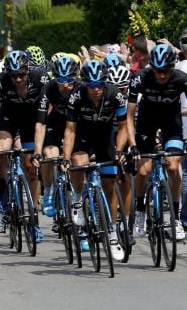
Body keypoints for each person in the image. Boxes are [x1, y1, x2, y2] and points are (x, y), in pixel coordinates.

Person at [63, 61, 127, 261]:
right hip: (83, 135)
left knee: (110, 185)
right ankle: (77, 199)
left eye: (99, 84)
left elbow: (124, 126)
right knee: (78, 162)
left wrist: (119, 150)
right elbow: (70, 129)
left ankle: (112, 231)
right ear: (85, 84)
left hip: (106, 137)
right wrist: (66, 158)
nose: (96, 89)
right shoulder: (76, 96)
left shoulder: (114, 94)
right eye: (91, 85)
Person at [127, 44, 187, 240]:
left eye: (166, 72)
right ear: (151, 67)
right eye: (158, 71)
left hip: (172, 124)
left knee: (173, 166)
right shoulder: (140, 77)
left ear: (172, 68)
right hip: (146, 123)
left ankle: (176, 218)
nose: (161, 76)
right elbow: (129, 115)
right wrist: (133, 145)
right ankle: (141, 209)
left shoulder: (181, 79)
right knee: (143, 171)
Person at [0, 50, 48, 239]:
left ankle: (32, 214)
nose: (18, 79)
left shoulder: (40, 78)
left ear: (28, 70)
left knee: (31, 167)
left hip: (32, 120)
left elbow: (47, 113)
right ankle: (3, 189)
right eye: (14, 76)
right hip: (8, 119)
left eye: (21, 75)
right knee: (1, 152)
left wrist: (40, 148)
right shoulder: (0, 82)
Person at [32, 55, 80, 218]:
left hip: (76, 128)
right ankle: (48, 192)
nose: (65, 84)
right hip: (55, 126)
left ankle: (77, 195)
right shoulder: (49, 88)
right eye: (60, 79)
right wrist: (37, 151)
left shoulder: (81, 87)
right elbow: (41, 123)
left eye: (69, 79)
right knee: (50, 156)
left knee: (78, 160)